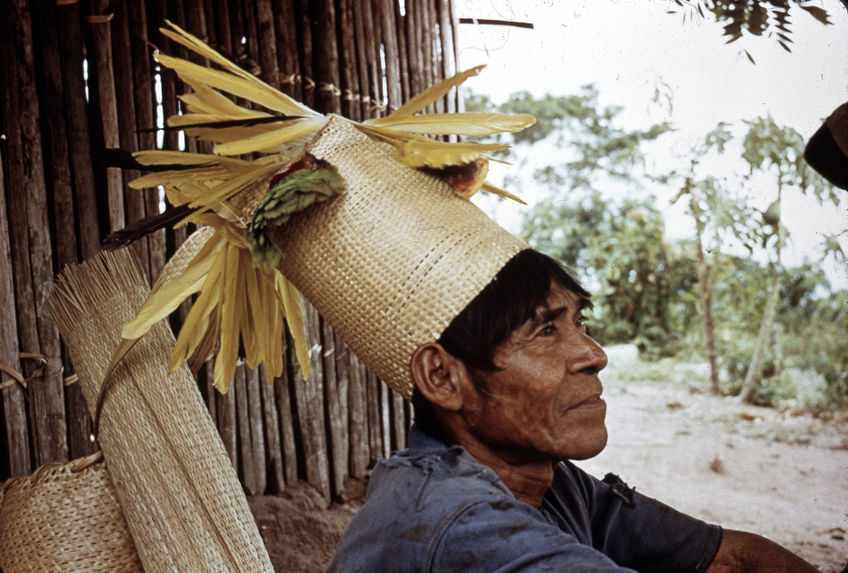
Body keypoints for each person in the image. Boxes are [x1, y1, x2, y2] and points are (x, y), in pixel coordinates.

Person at [326, 249, 818, 572]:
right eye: (545, 332)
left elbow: (734, 559)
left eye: (580, 322)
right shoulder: (462, 521)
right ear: (443, 377)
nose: (594, 353)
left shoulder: (550, 481)